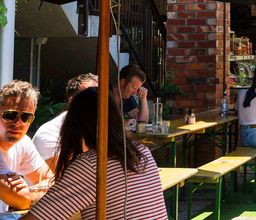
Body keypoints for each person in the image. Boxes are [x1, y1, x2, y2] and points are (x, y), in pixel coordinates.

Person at [25, 86, 166, 219]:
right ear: (116, 117)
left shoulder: (92, 164)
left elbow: (37, 218)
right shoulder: (141, 151)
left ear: (74, 125)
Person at [0, 81, 52, 213]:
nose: (18, 122)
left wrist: (28, 192)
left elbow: (52, 181)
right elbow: (21, 200)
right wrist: (28, 195)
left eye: (26, 117)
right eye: (10, 115)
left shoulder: (23, 143)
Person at [32, 73, 98, 173]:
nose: (95, 103)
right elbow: (63, 175)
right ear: (72, 102)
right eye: (88, 99)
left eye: (99, 97)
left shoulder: (100, 129)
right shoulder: (48, 134)